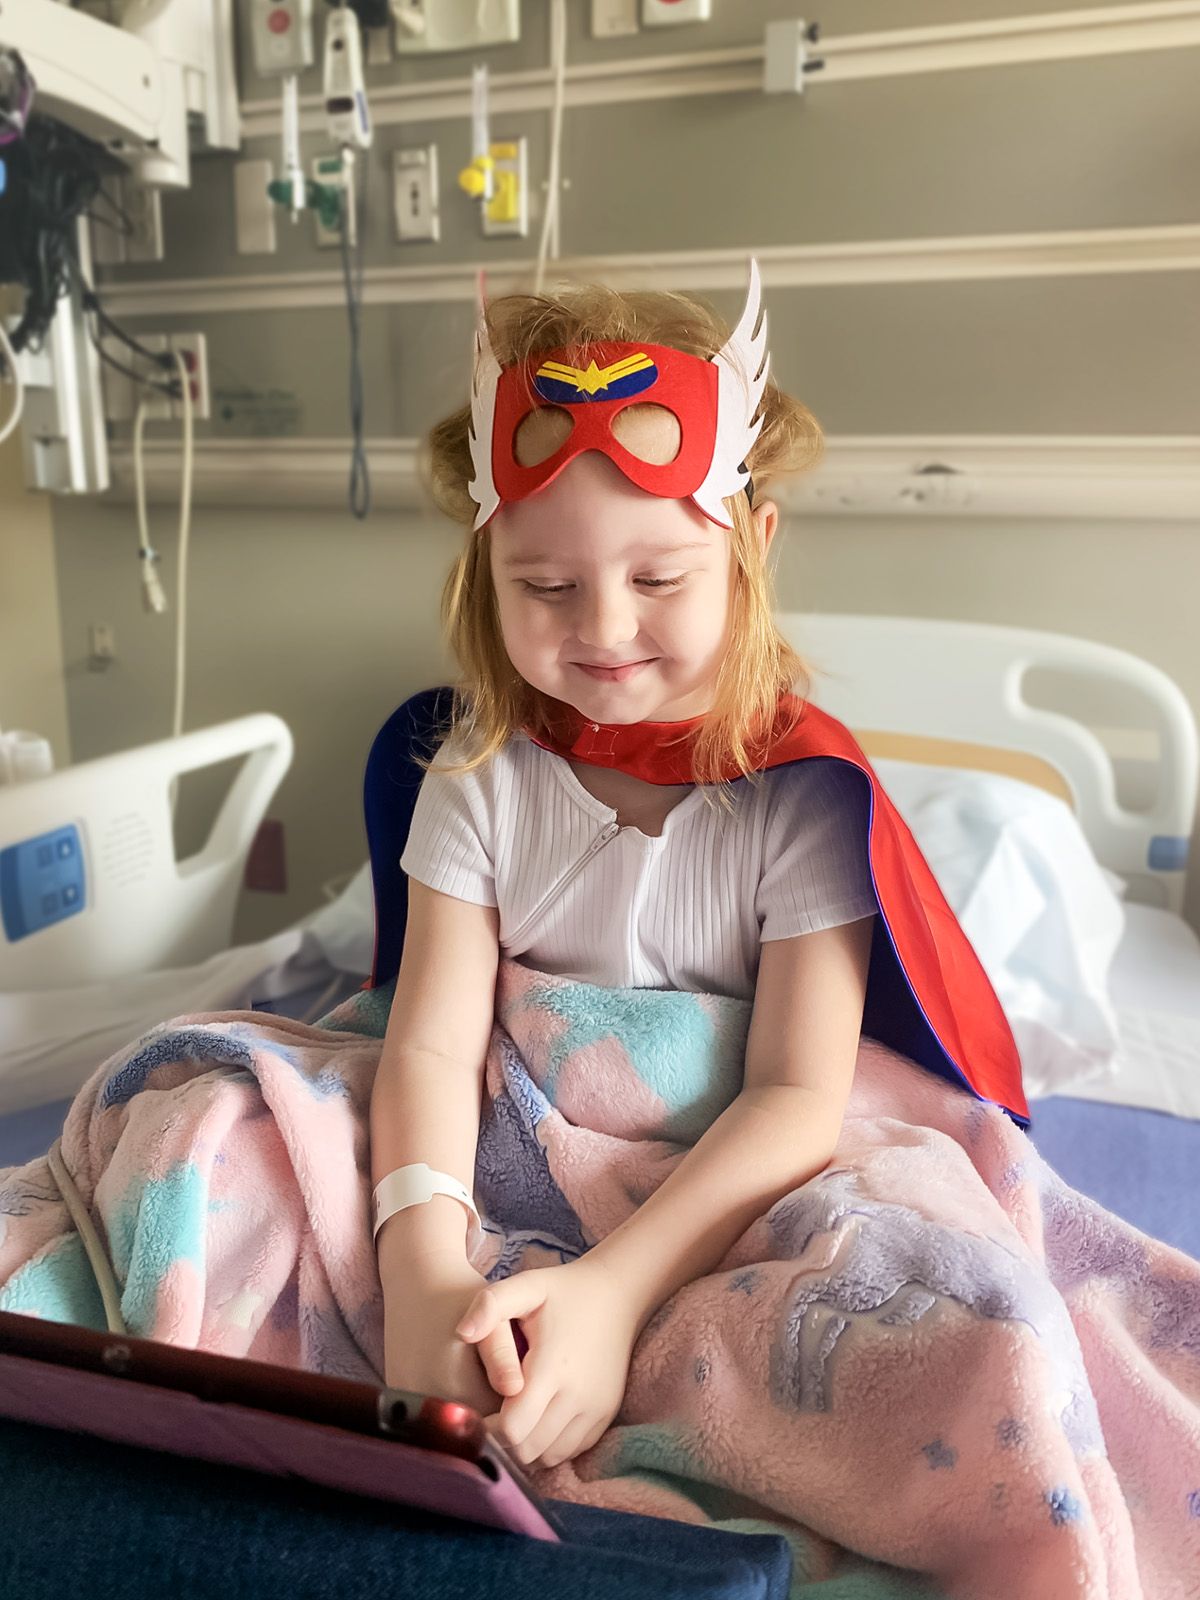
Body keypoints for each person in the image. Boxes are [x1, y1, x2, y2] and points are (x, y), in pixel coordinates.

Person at [368, 261, 1024, 1482]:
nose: (605, 629)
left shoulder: (796, 798)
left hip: (722, 1172)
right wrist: (421, 1274)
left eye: (659, 579)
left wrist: (612, 1295)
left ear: (749, 551)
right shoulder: (476, 775)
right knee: (208, 1115)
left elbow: (790, 1096)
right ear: (483, 569)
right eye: (545, 587)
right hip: (517, 1139)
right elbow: (426, 1050)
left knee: (934, 1313)